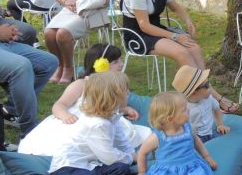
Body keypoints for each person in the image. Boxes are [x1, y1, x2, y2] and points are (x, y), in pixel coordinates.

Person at [121, 0, 239, 113]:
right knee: (182, 53)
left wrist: (187, 19)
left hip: (156, 31)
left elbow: (174, 6)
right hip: (138, 36)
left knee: (194, 48)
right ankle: (215, 98)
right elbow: (144, 26)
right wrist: (176, 36)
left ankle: (204, 94)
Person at [21, 72, 133, 175]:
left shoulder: (111, 116)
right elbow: (109, 157)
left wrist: (130, 153)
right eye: (126, 90)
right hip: (68, 169)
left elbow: (121, 141)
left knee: (122, 169)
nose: (129, 93)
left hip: (89, 166)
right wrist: (132, 158)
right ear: (113, 96)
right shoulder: (97, 124)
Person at [18, 43, 151, 155]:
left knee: (108, 138)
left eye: (120, 60)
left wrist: (124, 107)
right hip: (78, 118)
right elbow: (59, 104)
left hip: (103, 120)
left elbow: (117, 107)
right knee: (68, 139)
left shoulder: (116, 85)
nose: (121, 64)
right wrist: (64, 114)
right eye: (116, 62)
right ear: (100, 65)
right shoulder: (82, 84)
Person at [0, 18, 58, 138]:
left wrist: (5, 31)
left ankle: (10, 110)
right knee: (21, 66)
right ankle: (29, 131)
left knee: (50, 62)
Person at [172, 65, 230, 144]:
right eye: (206, 86)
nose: (210, 88)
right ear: (194, 93)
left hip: (210, 132)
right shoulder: (184, 108)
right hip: (195, 137)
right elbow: (178, 126)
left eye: (209, 83)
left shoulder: (209, 99)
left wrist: (220, 124)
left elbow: (216, 109)